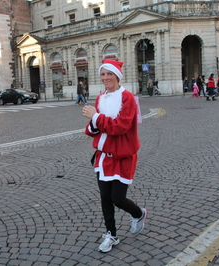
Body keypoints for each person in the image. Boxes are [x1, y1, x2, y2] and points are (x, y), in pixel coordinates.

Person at [82, 59, 147, 253]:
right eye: (103, 74)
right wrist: (93, 121)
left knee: (118, 198)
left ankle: (138, 213)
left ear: (117, 75)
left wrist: (95, 117)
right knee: (105, 198)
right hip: (103, 157)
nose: (105, 78)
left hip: (123, 156)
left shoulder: (127, 97)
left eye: (109, 74)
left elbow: (120, 127)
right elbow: (93, 129)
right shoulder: (100, 98)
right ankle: (111, 234)